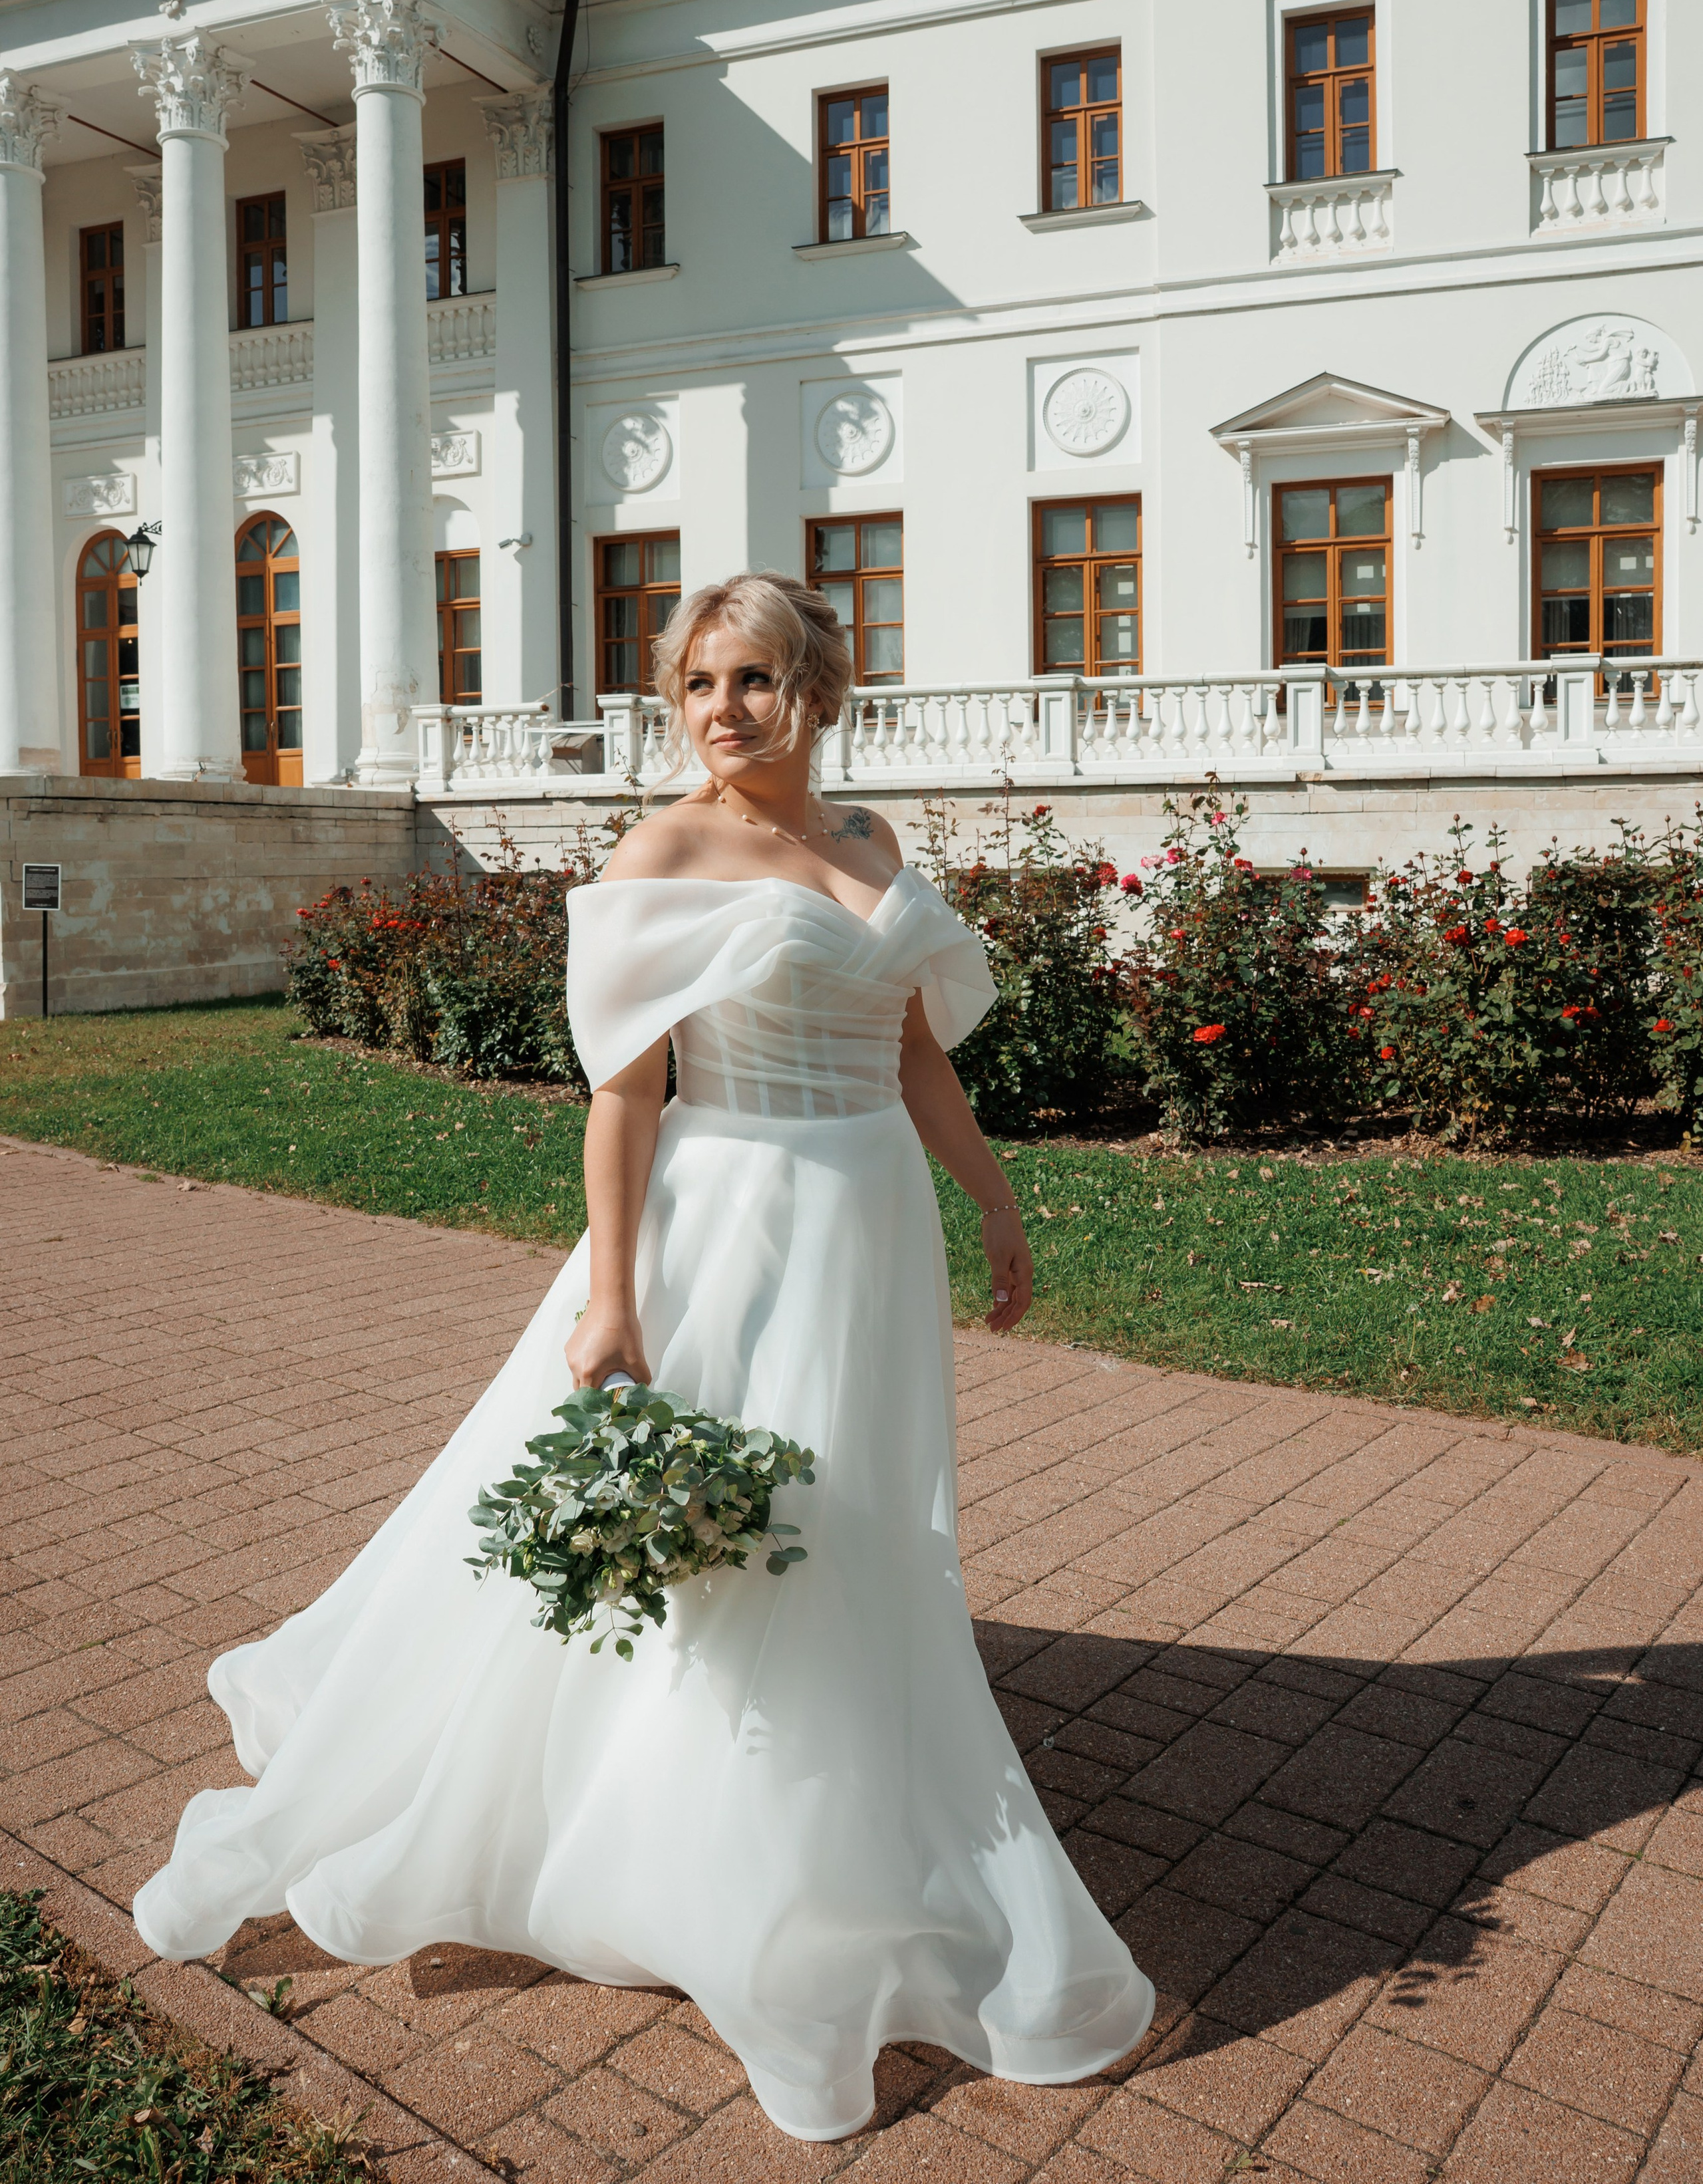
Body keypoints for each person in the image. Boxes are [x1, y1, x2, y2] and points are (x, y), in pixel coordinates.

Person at [133, 570, 1154, 2141]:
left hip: (866, 1228)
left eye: (751, 678)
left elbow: (910, 1054)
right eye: (696, 684)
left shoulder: (869, 845)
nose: (722, 710)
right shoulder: (664, 851)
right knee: (723, 1537)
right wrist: (612, 1303)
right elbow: (623, 1096)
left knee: (844, 1513)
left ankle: (838, 1778)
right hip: (727, 1216)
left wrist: (998, 1208)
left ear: (814, 685)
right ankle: (709, 1844)